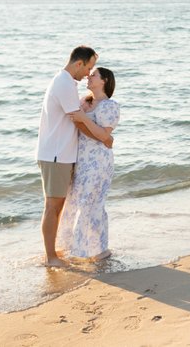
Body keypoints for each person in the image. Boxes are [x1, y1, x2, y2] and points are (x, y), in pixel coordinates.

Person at [35, 46, 113, 268]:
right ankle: (51, 257)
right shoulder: (64, 83)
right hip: (55, 154)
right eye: (88, 67)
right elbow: (77, 120)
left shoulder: (68, 83)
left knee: (59, 205)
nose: (88, 73)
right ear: (79, 63)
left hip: (63, 155)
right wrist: (102, 138)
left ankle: (55, 252)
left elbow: (79, 118)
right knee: (52, 205)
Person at [57, 66, 120, 261]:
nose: (89, 77)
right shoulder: (85, 101)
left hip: (99, 161)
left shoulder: (110, 106)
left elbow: (103, 135)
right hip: (81, 159)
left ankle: (97, 250)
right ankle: (69, 248)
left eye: (94, 75)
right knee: (74, 201)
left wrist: (84, 118)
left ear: (104, 81)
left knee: (92, 204)